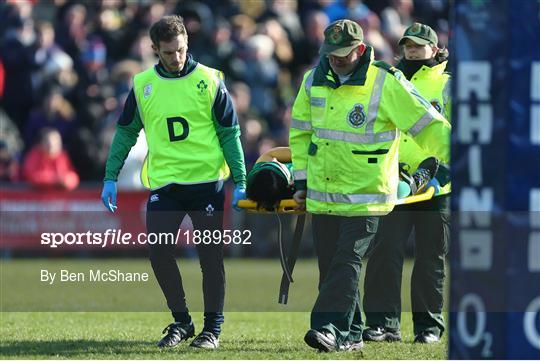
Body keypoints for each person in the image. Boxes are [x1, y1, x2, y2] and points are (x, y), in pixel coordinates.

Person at [289, 19, 450, 352]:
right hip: (323, 194)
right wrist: (301, 182)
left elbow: (429, 126)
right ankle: (351, 334)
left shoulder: (385, 82)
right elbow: (301, 135)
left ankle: (328, 327)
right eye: (330, 53)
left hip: (367, 196)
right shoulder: (312, 81)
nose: (335, 59)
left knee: (346, 262)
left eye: (343, 54)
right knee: (331, 267)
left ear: (360, 50)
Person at [100, 15, 246, 350]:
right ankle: (182, 321)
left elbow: (230, 134)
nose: (176, 57)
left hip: (207, 184)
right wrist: (110, 177)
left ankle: (213, 329)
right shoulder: (143, 86)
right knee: (159, 252)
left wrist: (241, 179)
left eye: (180, 50)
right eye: (168, 52)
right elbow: (125, 133)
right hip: (165, 185)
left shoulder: (210, 81)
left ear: (187, 44)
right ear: (155, 50)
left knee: (210, 258)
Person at [362, 22, 451, 344]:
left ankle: (428, 327)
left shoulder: (448, 84)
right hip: (394, 182)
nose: (412, 51)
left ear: (434, 48)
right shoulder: (388, 81)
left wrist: (442, 174)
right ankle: (382, 325)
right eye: (407, 45)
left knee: (431, 259)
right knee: (385, 254)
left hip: (437, 185)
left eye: (418, 46)